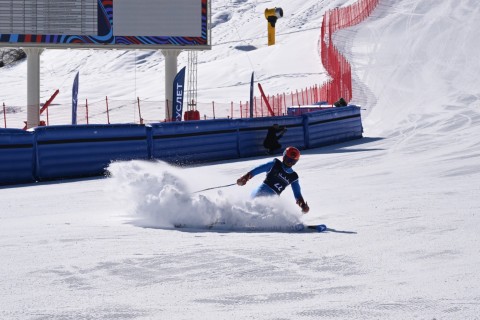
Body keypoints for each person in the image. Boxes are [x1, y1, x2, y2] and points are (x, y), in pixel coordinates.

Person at [236, 146, 310, 213]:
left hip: (273, 200)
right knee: (253, 210)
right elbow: (256, 171)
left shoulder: (294, 177)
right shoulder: (274, 164)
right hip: (260, 193)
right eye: (288, 159)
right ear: (284, 157)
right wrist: (244, 178)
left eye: (293, 161)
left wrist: (303, 205)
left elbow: (297, 195)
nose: (290, 163)